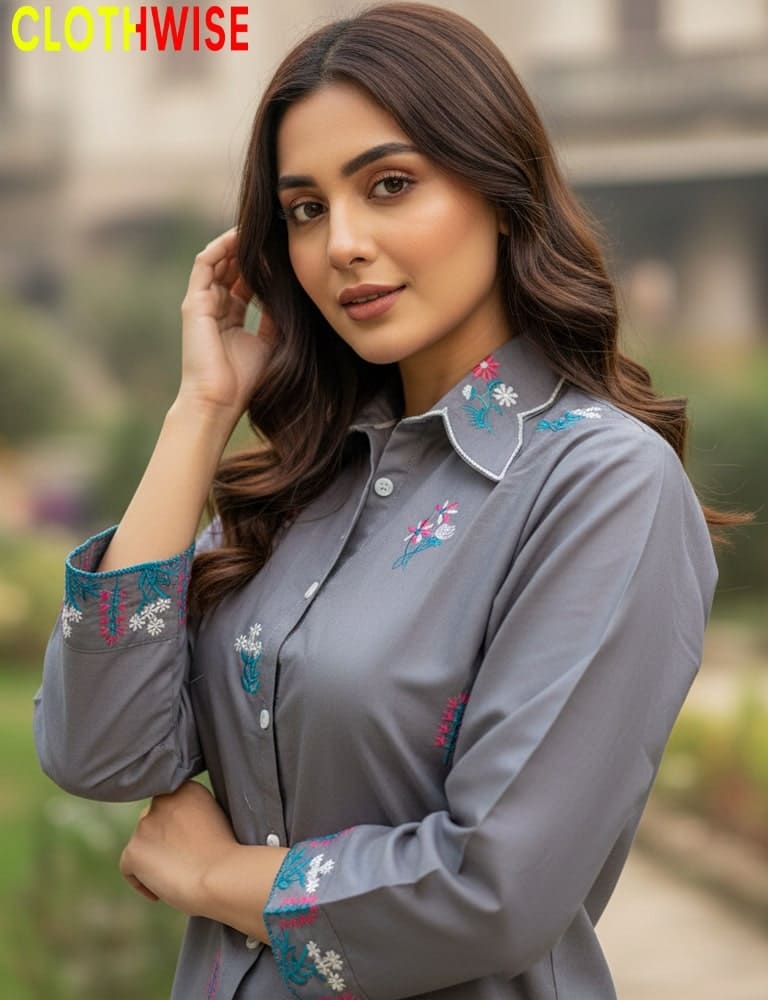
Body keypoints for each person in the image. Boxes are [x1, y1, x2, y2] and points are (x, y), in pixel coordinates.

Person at [33, 3, 741, 997]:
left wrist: (214, 876)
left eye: (390, 185)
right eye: (305, 209)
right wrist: (201, 411)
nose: (343, 243)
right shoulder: (308, 480)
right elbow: (97, 750)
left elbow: (497, 888)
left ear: (501, 191)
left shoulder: (601, 485)